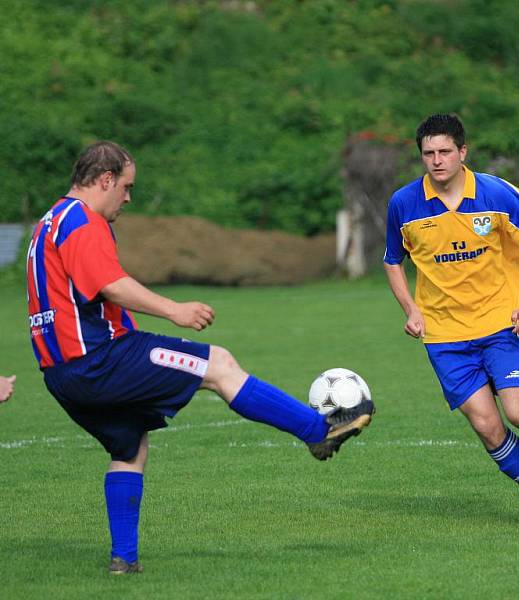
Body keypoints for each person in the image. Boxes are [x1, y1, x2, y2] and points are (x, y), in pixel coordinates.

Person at [26, 141, 374, 575]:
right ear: (105, 180)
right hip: (102, 359)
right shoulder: (82, 220)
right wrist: (175, 310)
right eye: (127, 187)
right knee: (220, 365)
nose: (129, 198)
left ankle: (124, 560)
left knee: (130, 447)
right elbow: (110, 284)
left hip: (61, 376)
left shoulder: (48, 223)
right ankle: (315, 430)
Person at [383, 114, 519, 528]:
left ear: (463, 152)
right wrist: (411, 309)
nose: (437, 160)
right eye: (428, 153)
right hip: (444, 338)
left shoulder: (498, 194)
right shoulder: (404, 204)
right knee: (487, 428)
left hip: (502, 327)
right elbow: (393, 262)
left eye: (445, 151)